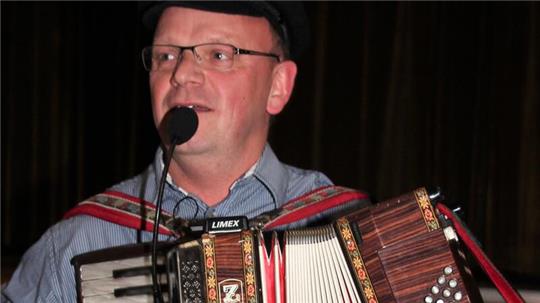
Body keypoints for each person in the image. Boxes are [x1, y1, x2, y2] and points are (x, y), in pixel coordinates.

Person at [2, 2, 367, 302]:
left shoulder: (354, 230)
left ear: (278, 86)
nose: (182, 74)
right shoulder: (74, 244)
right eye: (166, 56)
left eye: (220, 54)